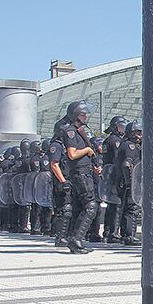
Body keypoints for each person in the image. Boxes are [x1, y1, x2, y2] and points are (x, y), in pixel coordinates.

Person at [61, 101, 100, 254]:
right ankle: (77, 238)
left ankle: (75, 240)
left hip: (82, 172)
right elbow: (72, 154)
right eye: (83, 114)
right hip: (80, 173)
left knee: (79, 207)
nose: (85, 117)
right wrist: (87, 150)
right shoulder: (71, 131)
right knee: (91, 206)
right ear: (76, 115)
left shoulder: (77, 131)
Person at [115, 121, 143, 246]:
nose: (140, 135)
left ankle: (125, 235)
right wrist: (131, 182)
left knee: (126, 208)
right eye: (138, 132)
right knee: (132, 209)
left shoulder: (124, 144)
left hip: (123, 182)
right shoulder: (130, 146)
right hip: (130, 182)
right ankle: (129, 235)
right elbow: (127, 164)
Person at [48, 119, 74, 248]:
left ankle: (65, 235)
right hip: (61, 182)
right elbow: (54, 165)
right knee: (64, 209)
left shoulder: (64, 145)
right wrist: (63, 181)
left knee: (67, 209)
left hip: (67, 180)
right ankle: (60, 237)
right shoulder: (56, 145)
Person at [102, 116, 127, 243]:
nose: (123, 130)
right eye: (121, 127)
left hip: (108, 175)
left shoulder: (107, 141)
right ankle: (113, 233)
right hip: (115, 175)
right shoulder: (116, 141)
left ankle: (107, 231)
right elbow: (119, 158)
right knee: (117, 205)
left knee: (111, 204)